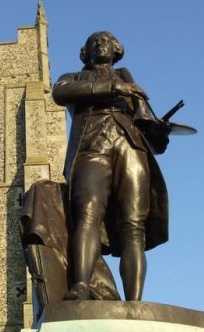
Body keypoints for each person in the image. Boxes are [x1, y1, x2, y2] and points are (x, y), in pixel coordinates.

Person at [52, 31, 169, 301]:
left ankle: (135, 302)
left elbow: (152, 136)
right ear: (85, 52)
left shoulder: (129, 80)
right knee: (88, 214)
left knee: (133, 225)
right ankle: (81, 286)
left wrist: (160, 130)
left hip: (131, 147)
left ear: (116, 49)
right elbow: (60, 92)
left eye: (105, 41)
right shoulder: (76, 77)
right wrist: (115, 89)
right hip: (92, 146)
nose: (100, 44)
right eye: (94, 42)